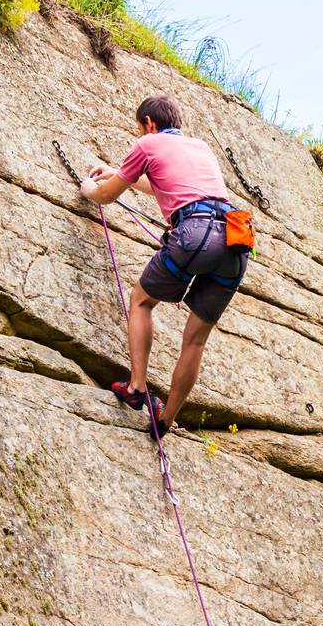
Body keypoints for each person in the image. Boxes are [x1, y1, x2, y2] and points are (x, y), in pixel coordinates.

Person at [80, 95, 250, 441]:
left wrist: (89, 189)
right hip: (235, 237)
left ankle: (137, 387)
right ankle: (166, 418)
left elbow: (107, 196)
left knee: (142, 301)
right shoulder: (200, 147)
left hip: (195, 233)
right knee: (195, 341)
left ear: (149, 124)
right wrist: (117, 172)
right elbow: (165, 182)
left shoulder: (147, 142)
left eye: (139, 127)